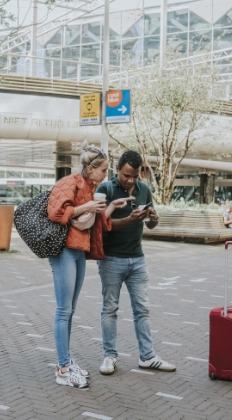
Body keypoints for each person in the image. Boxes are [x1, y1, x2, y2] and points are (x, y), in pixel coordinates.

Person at [47, 142, 132, 389]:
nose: (106, 174)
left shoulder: (92, 186)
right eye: (104, 169)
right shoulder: (68, 182)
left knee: (70, 310)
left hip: (79, 251)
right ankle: (62, 369)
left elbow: (92, 222)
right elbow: (56, 214)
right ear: (91, 167)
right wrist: (86, 206)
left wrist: (111, 207)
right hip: (63, 251)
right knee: (64, 310)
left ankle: (66, 362)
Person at [95, 150, 176, 375]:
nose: (131, 181)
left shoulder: (144, 189)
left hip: (138, 259)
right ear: (117, 169)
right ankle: (109, 356)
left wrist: (154, 219)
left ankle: (147, 356)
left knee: (143, 309)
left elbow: (149, 225)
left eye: (135, 176)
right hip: (111, 259)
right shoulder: (106, 190)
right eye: (126, 175)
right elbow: (100, 226)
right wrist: (128, 220)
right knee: (110, 308)